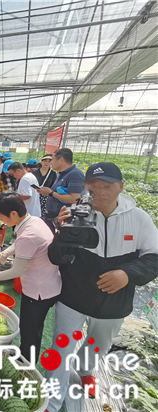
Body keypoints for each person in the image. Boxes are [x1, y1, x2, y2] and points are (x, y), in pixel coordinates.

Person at [45, 162, 158, 412]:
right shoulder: (75, 213)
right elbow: (55, 257)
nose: (99, 191)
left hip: (114, 300)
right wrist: (60, 232)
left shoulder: (138, 218)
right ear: (85, 187)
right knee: (61, 348)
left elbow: (154, 257)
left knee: (99, 344)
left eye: (107, 185)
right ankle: (51, 401)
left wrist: (127, 274)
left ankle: (84, 369)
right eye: (93, 185)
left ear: (121, 187)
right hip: (74, 296)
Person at [0, 192, 61, 360]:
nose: (0, 220)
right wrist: (2, 255)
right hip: (48, 283)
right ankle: (24, 354)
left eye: (1, 216)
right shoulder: (34, 221)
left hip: (38, 291)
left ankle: (26, 362)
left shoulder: (28, 236)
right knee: (32, 326)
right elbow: (20, 245)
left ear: (13, 213)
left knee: (30, 329)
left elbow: (17, 271)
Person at [36, 148, 84, 232]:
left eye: (52, 160)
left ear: (61, 159)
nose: (51, 163)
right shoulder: (61, 174)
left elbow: (75, 199)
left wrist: (51, 193)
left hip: (62, 218)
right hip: (52, 216)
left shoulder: (75, 174)